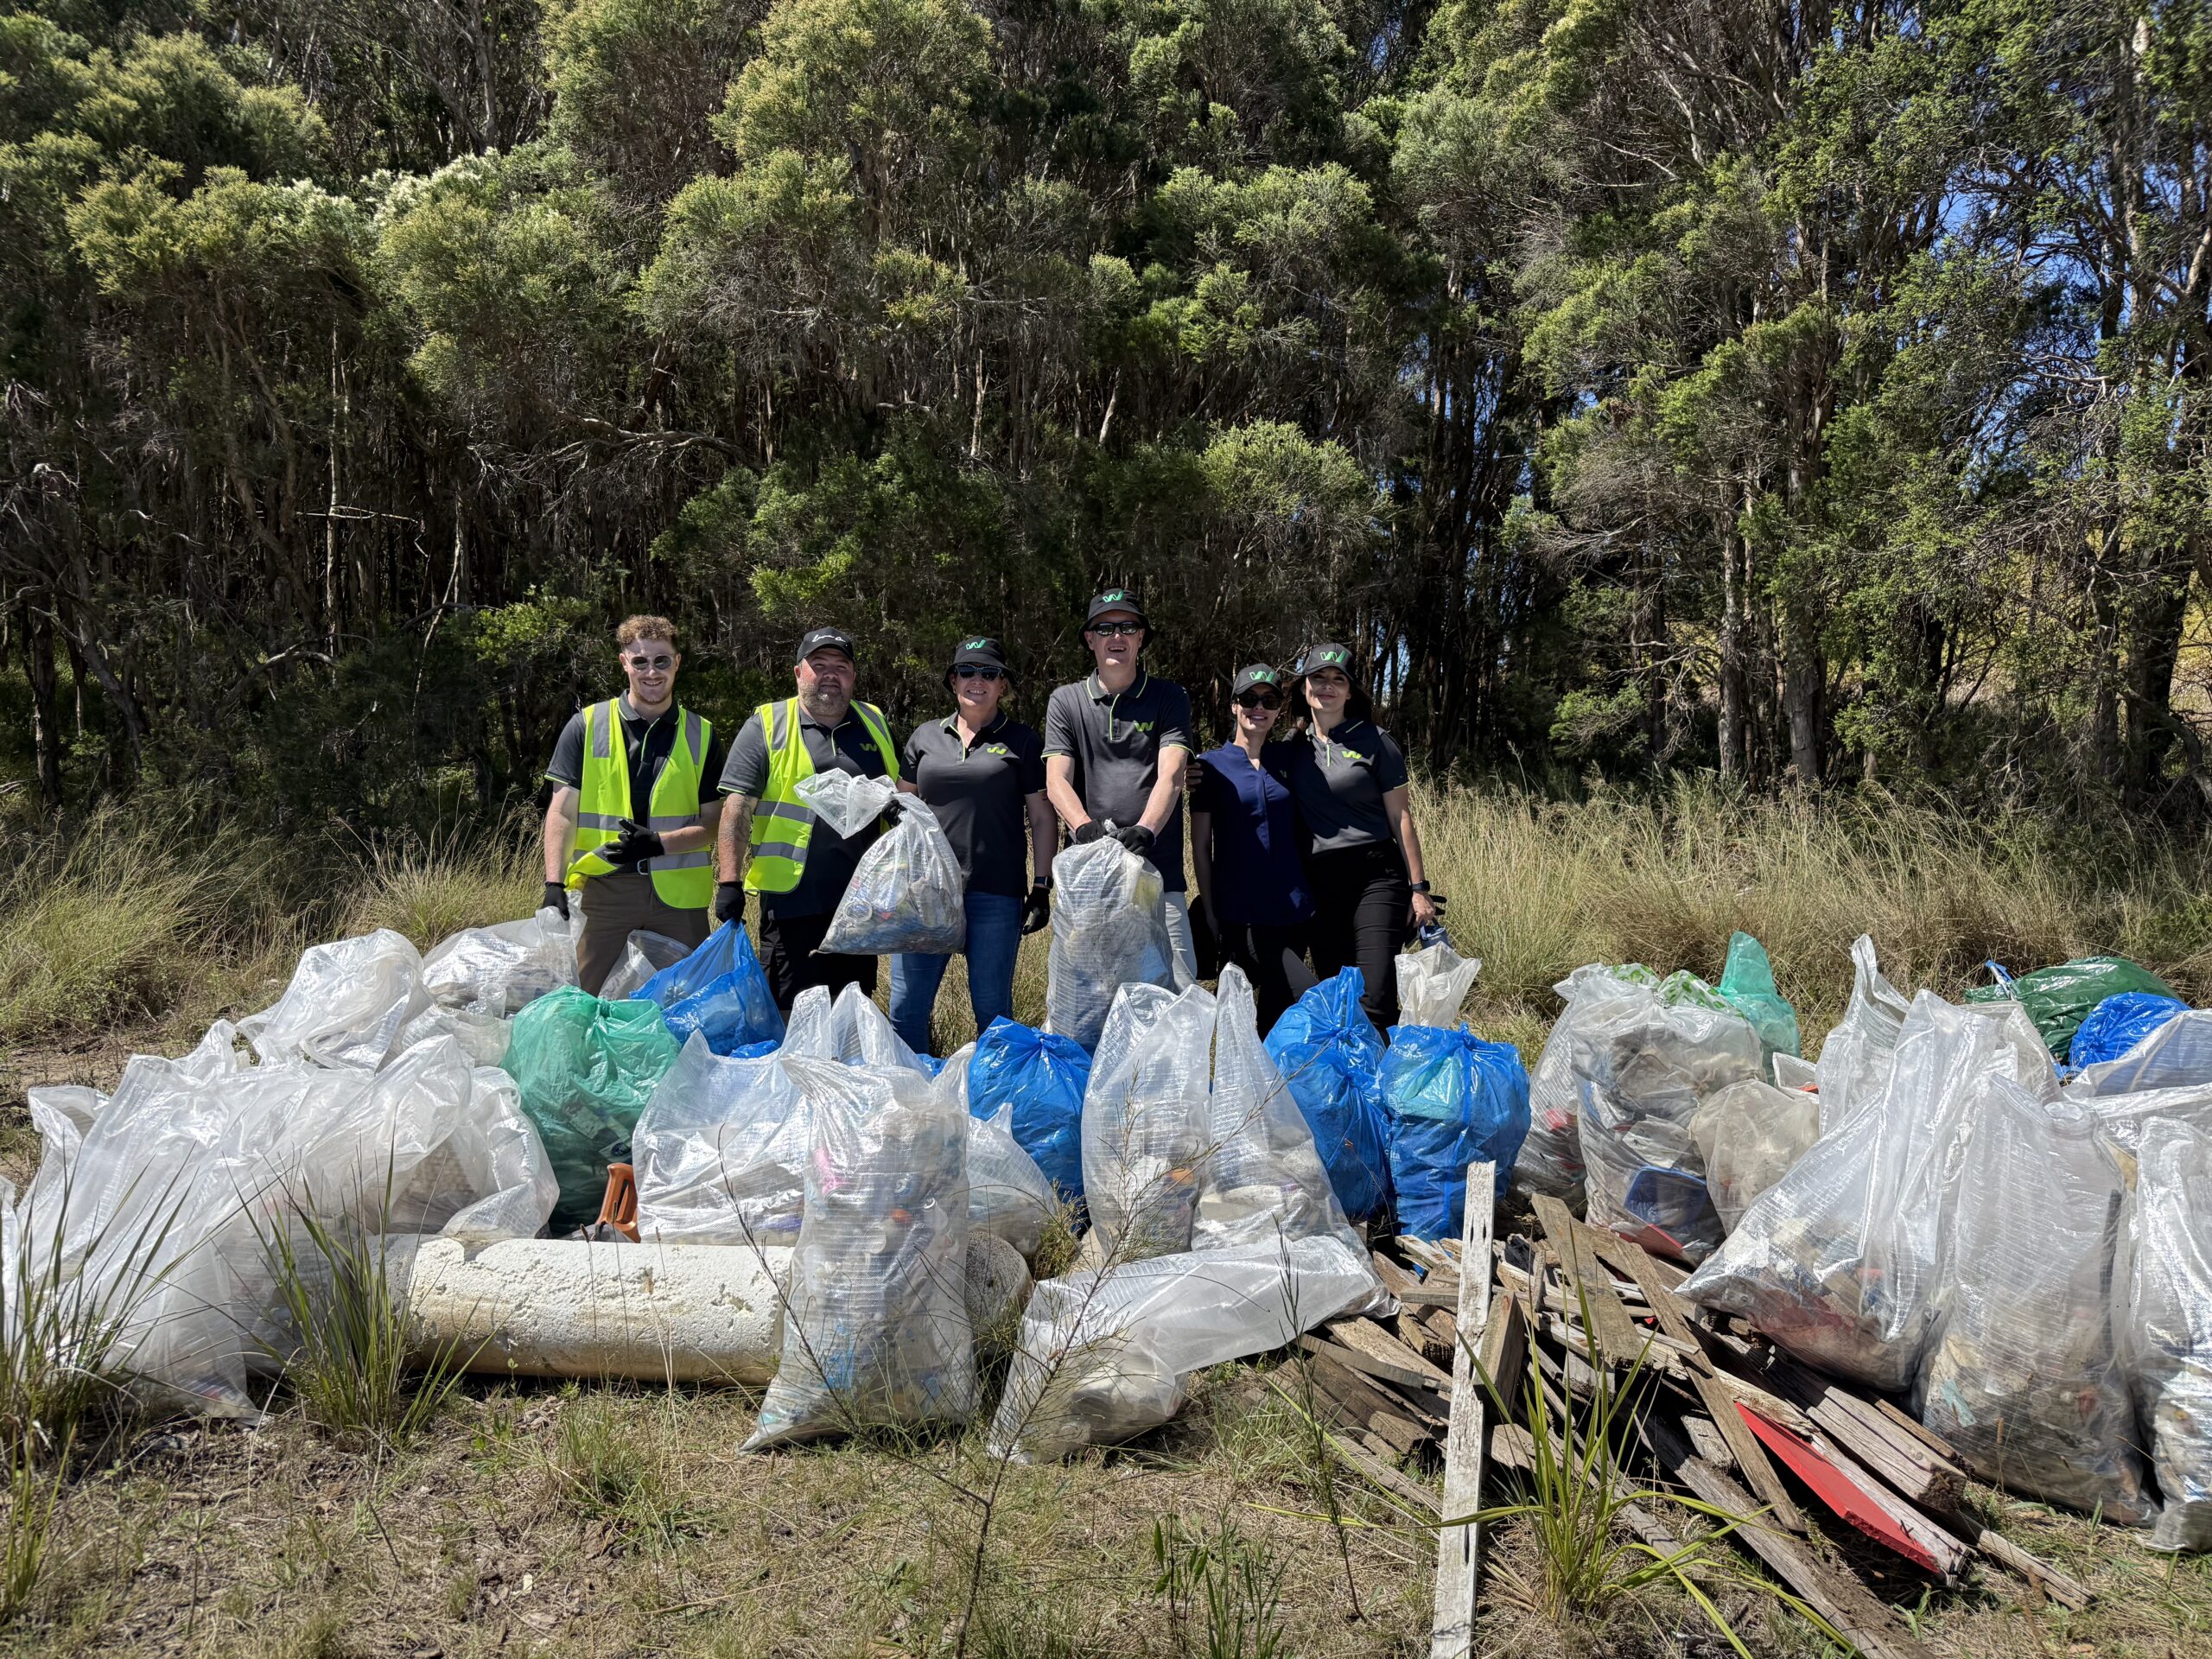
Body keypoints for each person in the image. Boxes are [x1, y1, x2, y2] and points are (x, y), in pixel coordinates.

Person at [712, 627, 902, 1012]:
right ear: (799, 673)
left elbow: (897, 795)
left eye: (841, 666)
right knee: (791, 1014)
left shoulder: (875, 722)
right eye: (819, 665)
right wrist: (729, 881)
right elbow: (737, 807)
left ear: (853, 676)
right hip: (791, 904)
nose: (831, 674)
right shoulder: (768, 724)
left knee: (851, 1013)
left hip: (859, 905)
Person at [887, 638, 1057, 1054]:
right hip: (925, 892)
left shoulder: (1023, 741)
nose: (976, 680)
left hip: (995, 893)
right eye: (967, 671)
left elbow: (1042, 816)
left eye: (988, 673)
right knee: (906, 1009)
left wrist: (1041, 887)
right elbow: (902, 802)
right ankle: (915, 1088)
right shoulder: (925, 736)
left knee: (992, 1011)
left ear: (1003, 685)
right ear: (953, 680)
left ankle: (992, 1091)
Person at [542, 615, 724, 995]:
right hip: (604, 891)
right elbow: (562, 812)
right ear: (624, 662)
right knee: (581, 999)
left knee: (685, 1003)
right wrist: (553, 883)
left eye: (661, 660)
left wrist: (660, 844)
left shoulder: (703, 734)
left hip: (679, 899)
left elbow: (714, 823)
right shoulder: (586, 725)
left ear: (677, 663)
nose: (651, 672)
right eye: (640, 661)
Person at [1042, 588, 1198, 988]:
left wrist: (1146, 830)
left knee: (1178, 989)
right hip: (1091, 881)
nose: (1117, 636)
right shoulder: (1066, 701)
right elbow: (1056, 780)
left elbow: (1172, 775)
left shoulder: (1169, 697)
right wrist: (1082, 827)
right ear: (1089, 639)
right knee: (1089, 994)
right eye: (1104, 628)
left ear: (1140, 638)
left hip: (1159, 875)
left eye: (1128, 627)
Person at [1282, 641, 1441, 1029]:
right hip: (1320, 882)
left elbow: (1401, 816)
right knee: (1338, 993)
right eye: (1319, 677)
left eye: (1338, 679)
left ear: (1350, 691)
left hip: (1376, 876)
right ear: (1304, 686)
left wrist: (1419, 889)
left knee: (1375, 994)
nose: (1328, 686)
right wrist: (1199, 772)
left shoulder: (1375, 740)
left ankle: (1381, 1065)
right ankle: (1349, 1067)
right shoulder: (1291, 747)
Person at [1192, 664, 1316, 1033]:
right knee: (1300, 996)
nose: (1258, 707)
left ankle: (1265, 1072)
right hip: (1240, 915)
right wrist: (1210, 911)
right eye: (1249, 699)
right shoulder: (1209, 767)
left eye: (1269, 700)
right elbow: (1201, 846)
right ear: (1234, 705)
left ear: (1279, 710)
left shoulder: (1290, 757)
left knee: (1274, 1021)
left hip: (1294, 912)